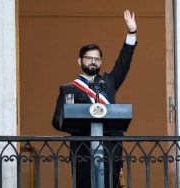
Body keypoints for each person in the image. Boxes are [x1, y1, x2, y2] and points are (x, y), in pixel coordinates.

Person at [52, 10, 137, 188]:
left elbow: (123, 63)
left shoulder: (108, 82)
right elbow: (57, 122)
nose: (93, 62)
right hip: (82, 148)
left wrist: (131, 33)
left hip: (110, 148)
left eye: (97, 59)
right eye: (89, 58)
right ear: (79, 61)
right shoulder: (69, 89)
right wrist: (82, 122)